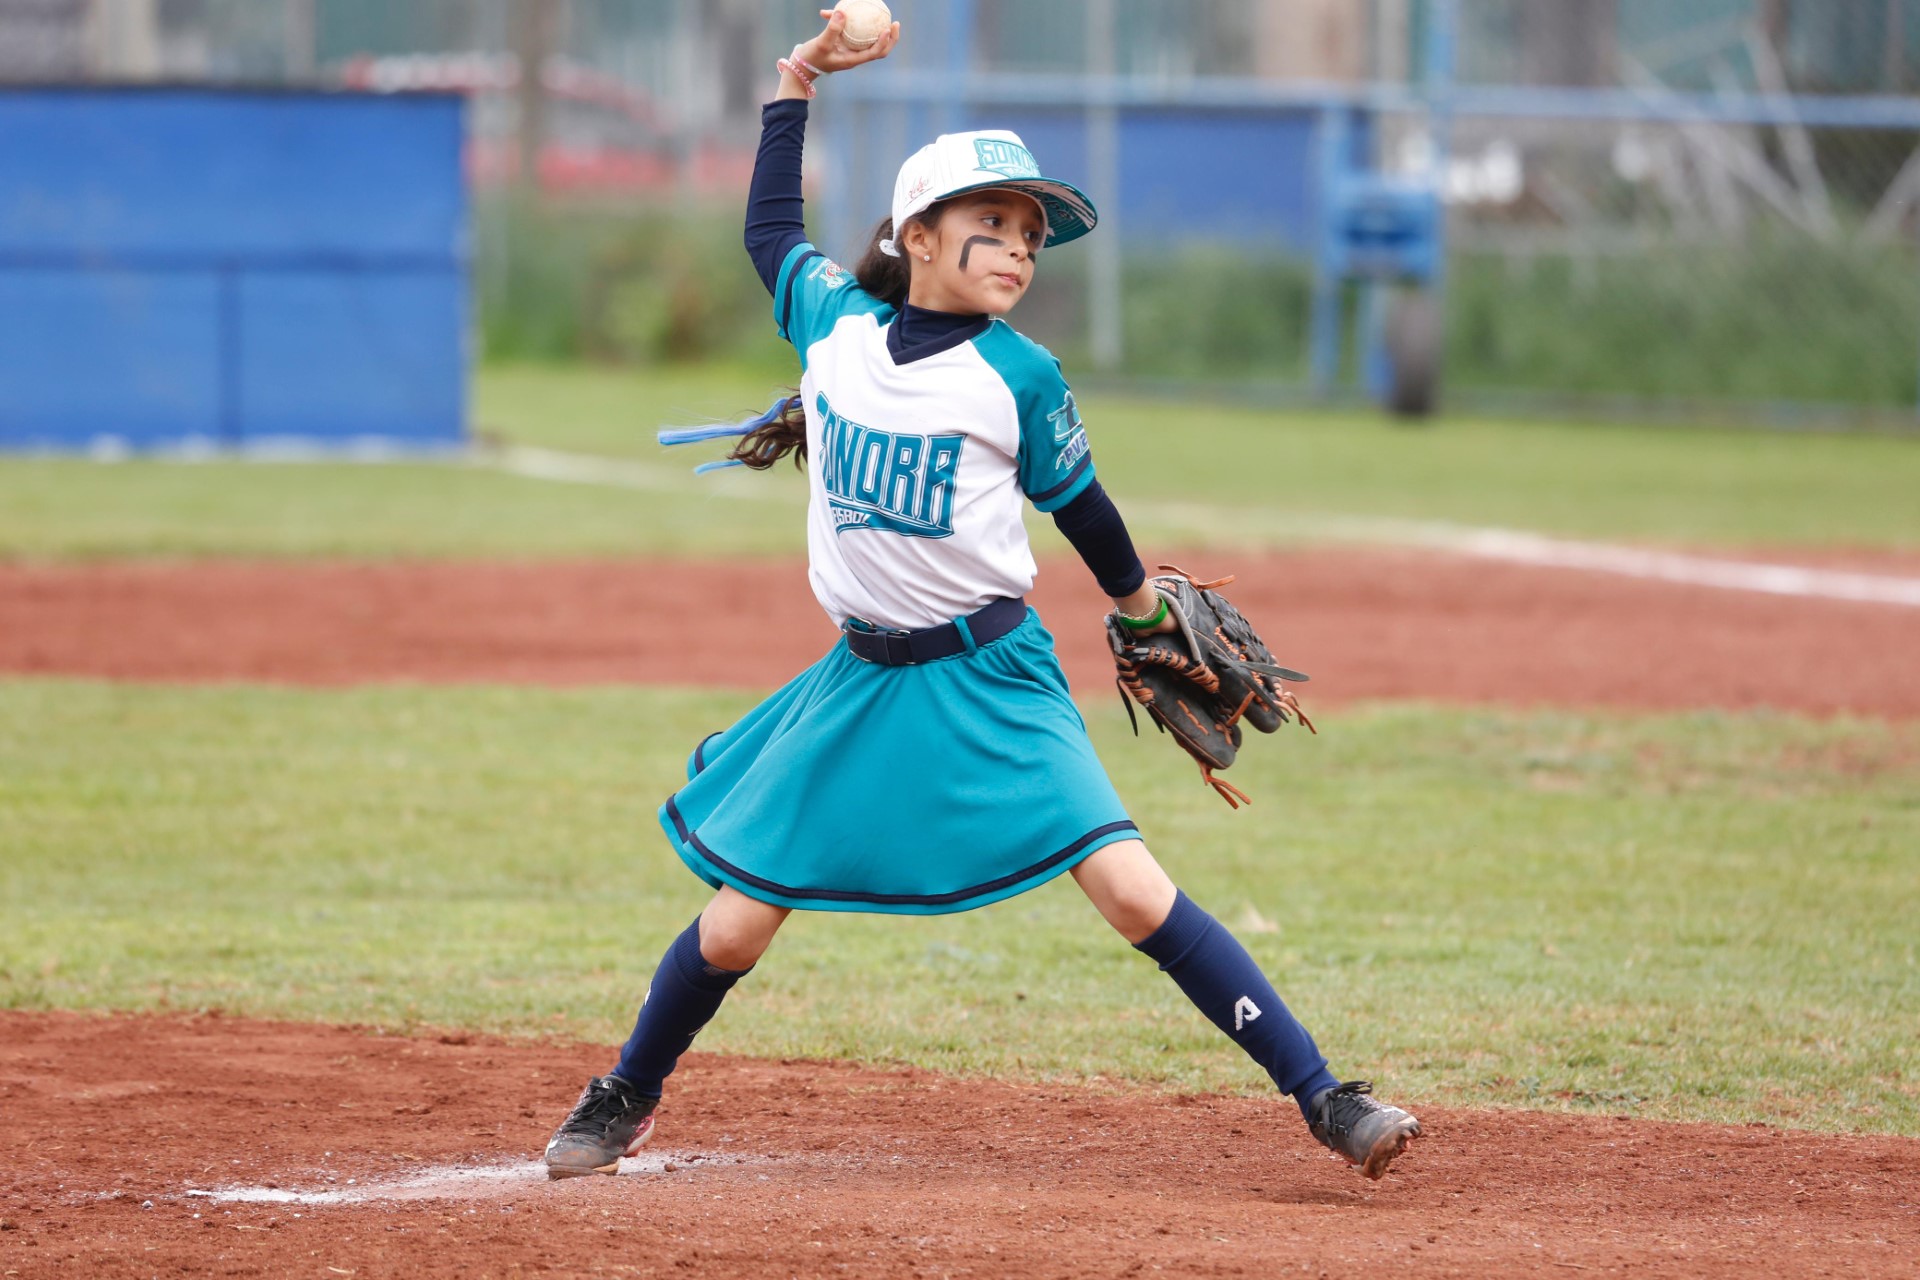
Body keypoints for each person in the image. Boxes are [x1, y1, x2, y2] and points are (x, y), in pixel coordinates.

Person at [543, 8, 1420, 1182]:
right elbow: (767, 227)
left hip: (996, 674)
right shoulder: (834, 324)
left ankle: (1325, 1096)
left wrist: (1139, 602)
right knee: (739, 918)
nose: (1018, 249)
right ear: (916, 234)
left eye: (1030, 236)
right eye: (993, 224)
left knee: (1127, 885)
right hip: (859, 679)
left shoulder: (1020, 372)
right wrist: (796, 80)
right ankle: (625, 1093)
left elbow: (1085, 506)